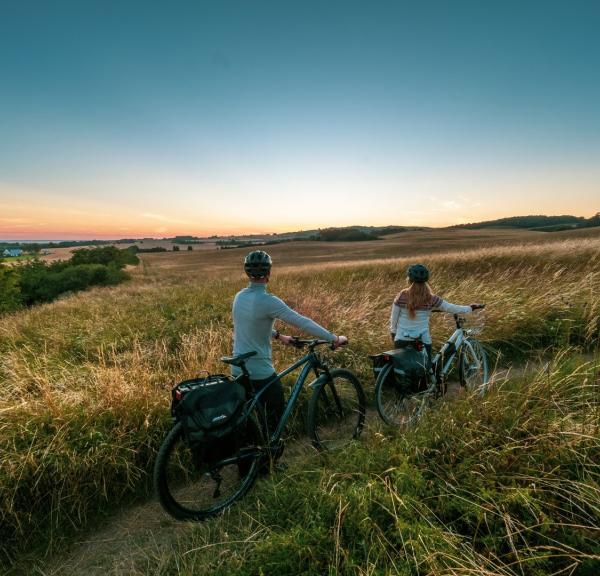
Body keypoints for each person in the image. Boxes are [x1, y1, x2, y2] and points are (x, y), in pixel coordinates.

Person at [232, 250, 347, 435]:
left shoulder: (239, 297)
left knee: (251, 418)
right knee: (276, 416)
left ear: (247, 273)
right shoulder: (269, 301)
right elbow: (302, 322)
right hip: (259, 371)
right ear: (269, 273)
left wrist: (279, 336)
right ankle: (272, 458)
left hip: (238, 369)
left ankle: (252, 455)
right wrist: (333, 338)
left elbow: (252, 324)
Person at [390, 263, 482, 361]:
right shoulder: (431, 299)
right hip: (422, 341)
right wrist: (470, 308)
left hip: (401, 340)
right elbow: (451, 308)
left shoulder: (401, 296)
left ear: (409, 280)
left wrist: (393, 334)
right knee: (426, 369)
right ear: (426, 281)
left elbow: (393, 319)